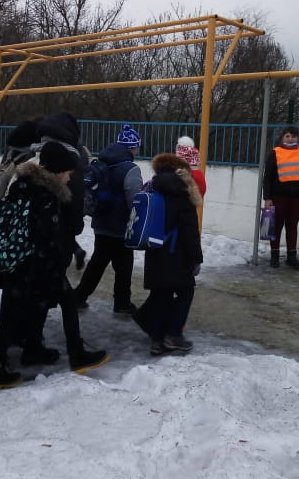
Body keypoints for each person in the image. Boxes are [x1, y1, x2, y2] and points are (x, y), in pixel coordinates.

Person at [17, 112, 109, 374]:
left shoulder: (33, 151)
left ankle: (32, 346)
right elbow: (73, 197)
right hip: (55, 239)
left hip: (33, 240)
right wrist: (75, 227)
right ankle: (76, 354)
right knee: (64, 297)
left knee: (43, 296)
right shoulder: (68, 157)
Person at [136, 153, 203, 355]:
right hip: (177, 252)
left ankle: (157, 340)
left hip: (155, 250)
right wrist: (196, 258)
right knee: (186, 291)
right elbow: (189, 228)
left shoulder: (153, 185)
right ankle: (173, 335)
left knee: (160, 294)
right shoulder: (182, 190)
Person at [74, 124, 144, 316]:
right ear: (132, 147)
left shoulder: (101, 162)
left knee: (98, 262)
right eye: (137, 146)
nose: (138, 150)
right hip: (120, 227)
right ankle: (121, 303)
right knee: (124, 266)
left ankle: (79, 296)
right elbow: (134, 200)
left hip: (101, 223)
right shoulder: (131, 169)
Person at [262, 126, 299, 270]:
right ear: (282, 138)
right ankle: (275, 256)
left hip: (297, 198)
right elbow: (267, 178)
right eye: (287, 136)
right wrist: (267, 198)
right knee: (276, 227)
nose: (290, 139)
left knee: (292, 227)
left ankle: (292, 257)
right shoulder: (275, 153)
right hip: (278, 197)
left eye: (293, 136)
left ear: (298, 138)